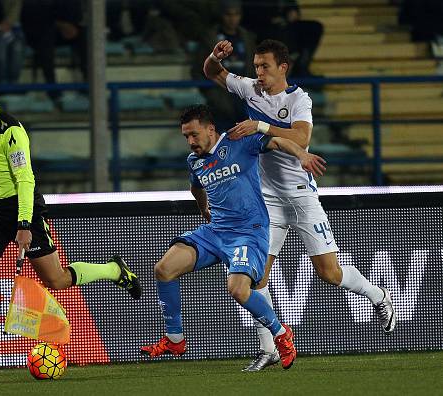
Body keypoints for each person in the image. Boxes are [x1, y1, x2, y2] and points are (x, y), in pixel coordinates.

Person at [203, 39, 397, 371]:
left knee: (329, 272)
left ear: (283, 67)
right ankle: (269, 349)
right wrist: (214, 56)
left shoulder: (298, 99)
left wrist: (260, 125)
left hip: (302, 197)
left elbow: (301, 138)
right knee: (255, 278)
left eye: (265, 66)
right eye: (256, 66)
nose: (258, 73)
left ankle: (378, 296)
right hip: (268, 202)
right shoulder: (250, 89)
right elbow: (211, 72)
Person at [0, 74, 141, 371]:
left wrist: (24, 224)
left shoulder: (11, 131)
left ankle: (113, 269)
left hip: (22, 208)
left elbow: (25, 180)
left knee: (57, 280)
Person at [140, 104, 328, 370]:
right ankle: (175, 339)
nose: (190, 142)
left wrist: (301, 155)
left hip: (248, 233)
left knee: (237, 289)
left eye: (194, 135)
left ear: (210, 129)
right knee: (164, 268)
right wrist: (203, 208)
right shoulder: (194, 161)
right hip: (216, 231)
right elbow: (196, 188)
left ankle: (281, 333)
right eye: (186, 137)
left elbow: (277, 141)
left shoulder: (239, 141)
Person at [192, 0, 256, 130]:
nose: (232, 19)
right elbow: (197, 70)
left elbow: (254, 67)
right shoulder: (209, 38)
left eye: (236, 14)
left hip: (244, 98)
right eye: (228, 14)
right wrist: (213, 95)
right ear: (221, 15)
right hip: (220, 100)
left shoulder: (248, 38)